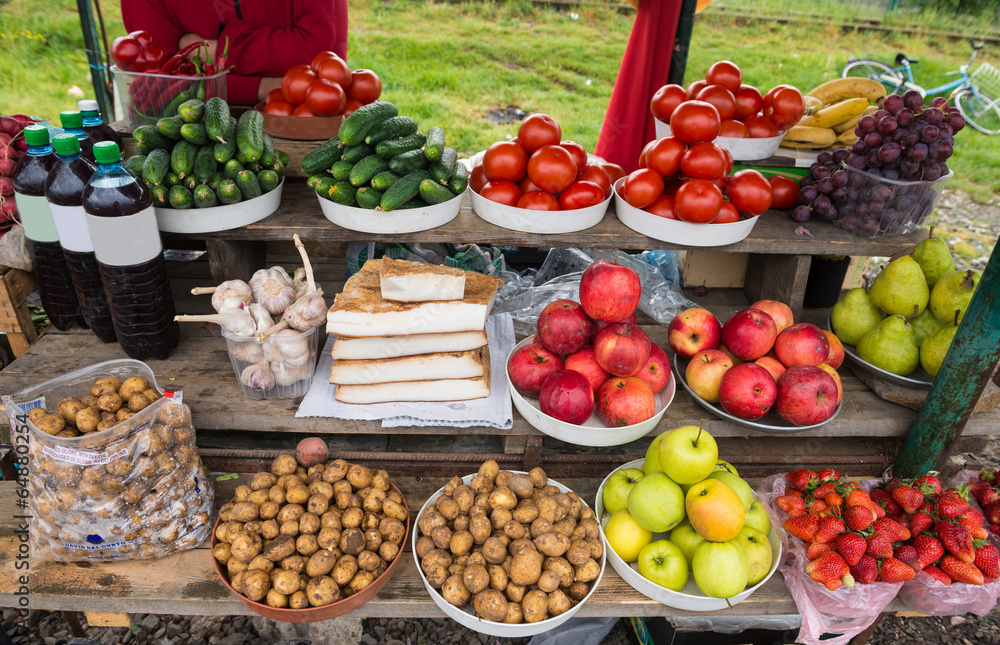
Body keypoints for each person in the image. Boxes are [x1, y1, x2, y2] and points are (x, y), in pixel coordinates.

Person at [121, 0, 348, 105]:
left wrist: (216, 50)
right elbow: (161, 86)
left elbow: (324, 54)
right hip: (196, 144)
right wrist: (264, 88)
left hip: (307, 126)